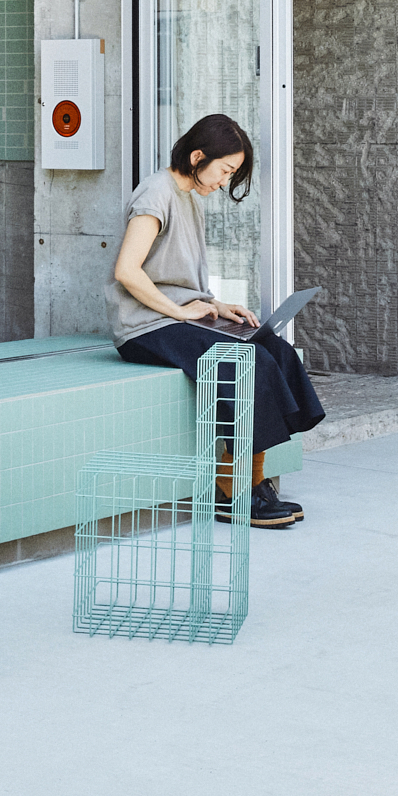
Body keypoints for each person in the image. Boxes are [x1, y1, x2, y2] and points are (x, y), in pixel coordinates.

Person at [107, 112, 325, 528]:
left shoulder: (189, 196)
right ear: (197, 157)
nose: (225, 182)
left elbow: (176, 278)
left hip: (176, 317)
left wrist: (215, 306)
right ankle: (236, 493)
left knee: (273, 349)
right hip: (144, 326)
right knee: (247, 362)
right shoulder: (155, 193)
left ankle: (246, 484)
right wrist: (180, 311)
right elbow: (127, 271)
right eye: (225, 170)